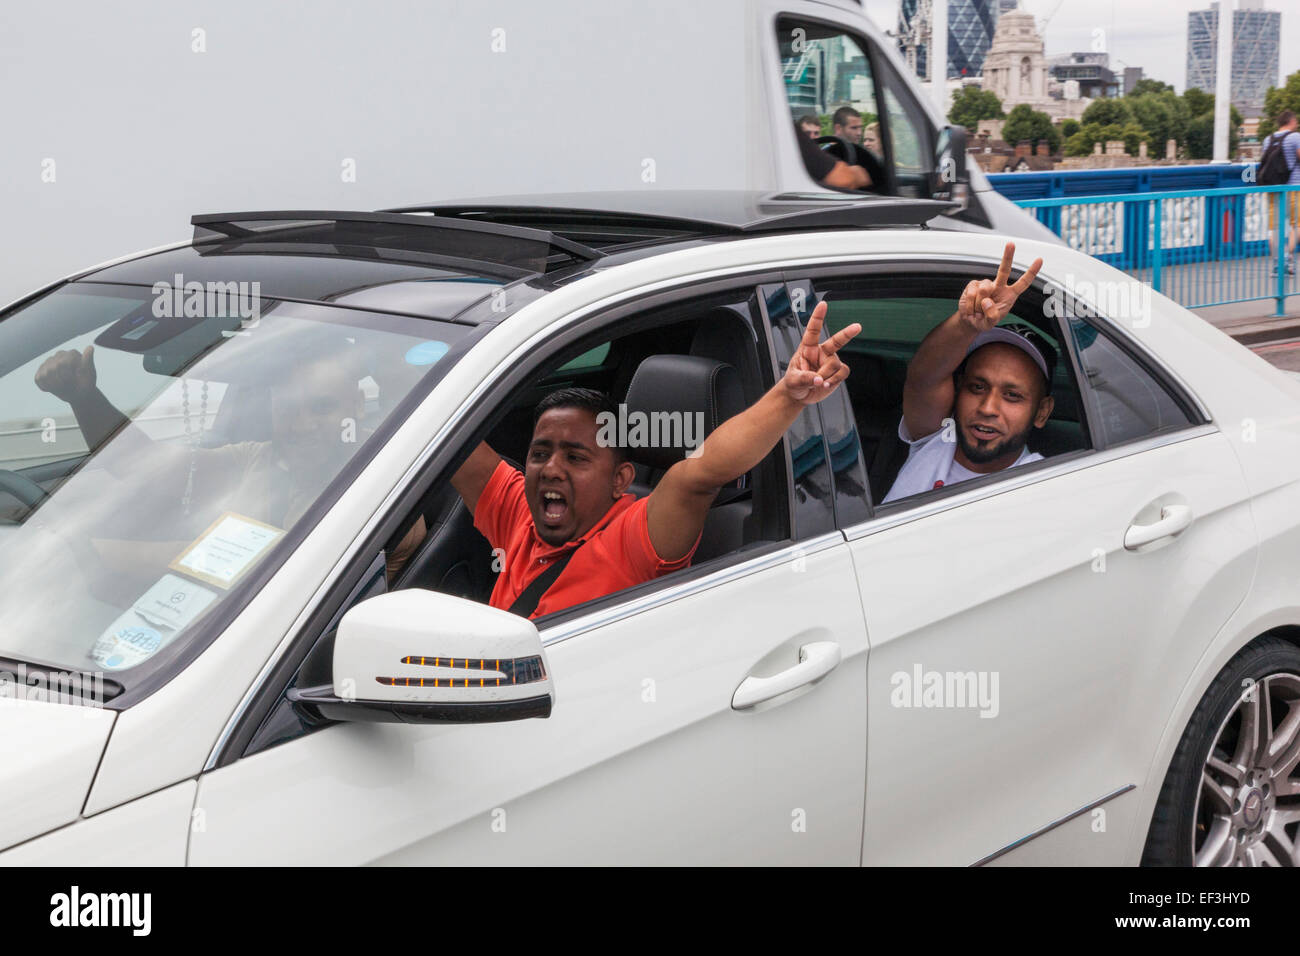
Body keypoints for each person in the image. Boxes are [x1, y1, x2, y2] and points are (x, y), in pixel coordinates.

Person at [451, 302, 859, 619]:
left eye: (576, 458)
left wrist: (787, 397)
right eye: (540, 454)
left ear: (620, 480)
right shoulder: (517, 510)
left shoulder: (632, 540)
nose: (551, 469)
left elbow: (703, 473)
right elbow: (444, 436)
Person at [34, 344, 426, 579]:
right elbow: (144, 467)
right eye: (290, 408)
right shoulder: (258, 457)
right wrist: (84, 399)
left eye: (322, 408)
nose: (303, 424)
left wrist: (73, 555)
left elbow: (276, 579)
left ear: (357, 405)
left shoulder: (386, 490)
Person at [882, 242, 1052, 504]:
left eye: (1012, 395)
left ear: (1042, 412)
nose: (988, 407)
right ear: (959, 388)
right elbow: (923, 376)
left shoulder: (1045, 486)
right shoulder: (936, 441)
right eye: (978, 387)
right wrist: (965, 324)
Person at [1264, 110, 1300, 276]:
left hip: (1273, 189)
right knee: (1297, 226)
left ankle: (1277, 263)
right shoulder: (1295, 137)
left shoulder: (1268, 140)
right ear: (1291, 122)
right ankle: (1287, 258)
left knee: (1275, 228)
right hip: (1293, 188)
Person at [794, 122, 872, 190]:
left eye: (816, 133)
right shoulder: (792, 135)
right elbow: (842, 180)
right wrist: (857, 174)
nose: (813, 137)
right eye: (807, 134)